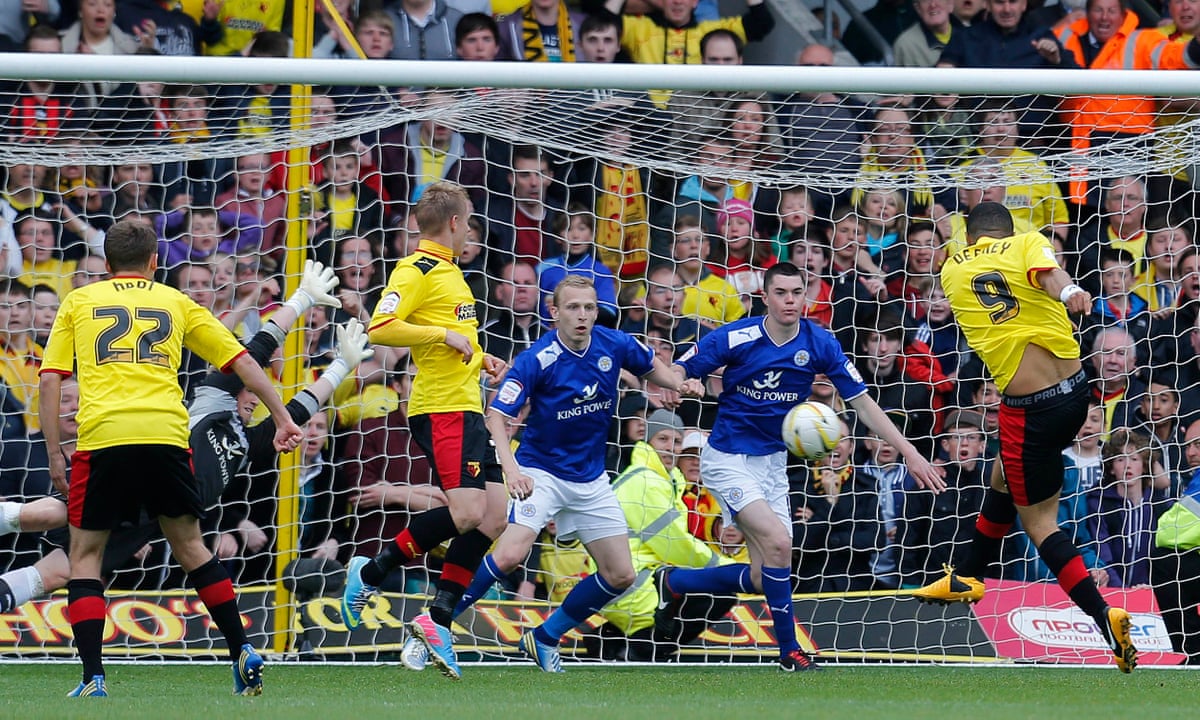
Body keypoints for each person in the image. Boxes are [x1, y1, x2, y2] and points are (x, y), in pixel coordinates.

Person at [38, 219, 304, 697]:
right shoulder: (176, 301)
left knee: (86, 556)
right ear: (155, 262)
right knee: (192, 547)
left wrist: (55, 452)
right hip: (165, 436)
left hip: (103, 438)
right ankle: (242, 648)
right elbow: (243, 361)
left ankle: (93, 677)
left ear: (107, 263)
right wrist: (283, 418)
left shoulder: (79, 301)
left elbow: (50, 378)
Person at [399, 276, 703, 672]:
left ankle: (543, 638)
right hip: (540, 472)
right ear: (554, 312)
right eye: (573, 307)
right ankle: (433, 625)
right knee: (509, 554)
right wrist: (511, 470)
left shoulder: (615, 344)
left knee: (621, 574)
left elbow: (653, 368)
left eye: (589, 308)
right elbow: (496, 416)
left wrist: (680, 383)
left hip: (590, 479)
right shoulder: (537, 359)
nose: (583, 315)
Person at [661, 262, 942, 671]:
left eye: (796, 292)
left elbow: (863, 404)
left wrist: (911, 452)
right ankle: (790, 652)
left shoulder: (820, 342)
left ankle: (674, 582)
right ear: (765, 297)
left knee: (765, 575)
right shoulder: (735, 336)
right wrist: (679, 384)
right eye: (781, 293)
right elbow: (681, 369)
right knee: (779, 542)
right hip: (728, 458)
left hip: (773, 464)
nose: (790, 300)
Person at [912, 202, 1139, 674]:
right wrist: (1072, 290)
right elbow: (1049, 276)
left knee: (1040, 525)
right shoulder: (1028, 242)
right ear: (1009, 230)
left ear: (969, 236)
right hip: (1076, 394)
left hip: (1028, 411)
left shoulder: (953, 269)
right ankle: (968, 575)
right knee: (1003, 474)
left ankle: (1104, 616)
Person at [340, 181, 509, 681]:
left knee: (494, 517)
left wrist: (480, 358)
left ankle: (437, 619)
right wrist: (444, 334)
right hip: (441, 408)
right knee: (467, 513)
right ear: (455, 223)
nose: (471, 230)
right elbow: (381, 326)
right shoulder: (417, 269)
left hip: (467, 404)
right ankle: (371, 570)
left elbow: (452, 338)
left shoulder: (452, 273)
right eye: (469, 222)